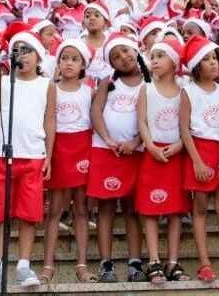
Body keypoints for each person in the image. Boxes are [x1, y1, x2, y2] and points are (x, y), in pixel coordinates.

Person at [0, 24, 55, 291]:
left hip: (32, 154)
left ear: (38, 56)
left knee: (28, 212)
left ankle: (23, 263)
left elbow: (50, 122)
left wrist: (49, 156)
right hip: (2, 154)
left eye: (27, 50)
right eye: (16, 50)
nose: (21, 54)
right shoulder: (2, 83)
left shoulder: (47, 85)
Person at [88, 32, 148, 283]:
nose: (123, 58)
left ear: (135, 50)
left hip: (138, 152)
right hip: (106, 151)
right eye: (115, 56)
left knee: (133, 209)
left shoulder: (150, 82)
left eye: (125, 51)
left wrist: (136, 142)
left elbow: (155, 118)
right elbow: (96, 112)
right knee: (106, 208)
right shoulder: (107, 83)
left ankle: (135, 261)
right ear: (111, 64)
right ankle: (106, 263)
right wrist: (109, 140)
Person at [179, 36, 219, 282]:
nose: (213, 63)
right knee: (200, 207)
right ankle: (204, 263)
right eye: (206, 59)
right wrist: (197, 161)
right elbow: (184, 129)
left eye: (215, 58)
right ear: (195, 65)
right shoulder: (188, 91)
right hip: (199, 151)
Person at [134, 39, 188, 283]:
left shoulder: (183, 89)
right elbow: (142, 121)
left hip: (176, 154)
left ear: (174, 61)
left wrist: (178, 146)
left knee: (175, 210)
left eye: (160, 56)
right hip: (152, 153)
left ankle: (173, 261)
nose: (154, 60)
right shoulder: (146, 88)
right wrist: (151, 146)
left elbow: (187, 124)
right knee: (150, 208)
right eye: (152, 56)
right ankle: (154, 259)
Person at [42, 40, 95, 283]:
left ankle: (82, 264)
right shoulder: (50, 88)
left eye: (74, 59)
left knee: (82, 210)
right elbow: (49, 121)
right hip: (59, 148)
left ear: (83, 64)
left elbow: (94, 123)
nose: (68, 63)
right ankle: (48, 265)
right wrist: (48, 155)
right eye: (64, 58)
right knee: (54, 210)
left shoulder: (89, 91)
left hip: (83, 148)